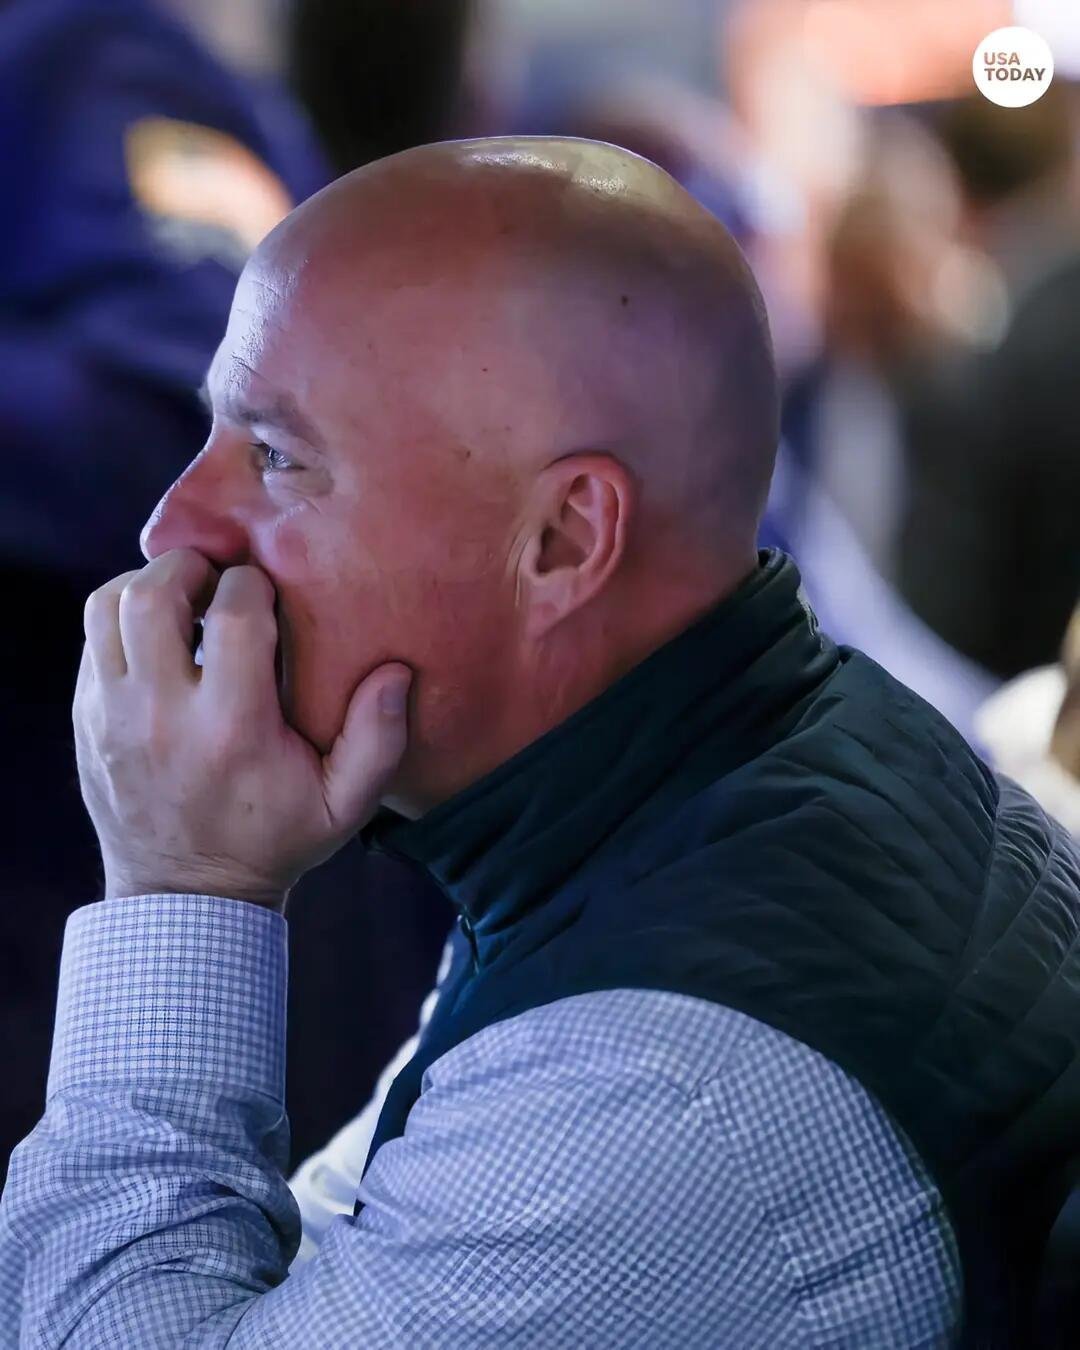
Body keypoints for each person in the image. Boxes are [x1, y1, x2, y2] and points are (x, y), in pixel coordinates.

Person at [2, 137, 1079, 1347]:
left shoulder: (659, 1086)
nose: (171, 525)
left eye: (279, 457)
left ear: (565, 539)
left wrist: (180, 885)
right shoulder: (778, 767)